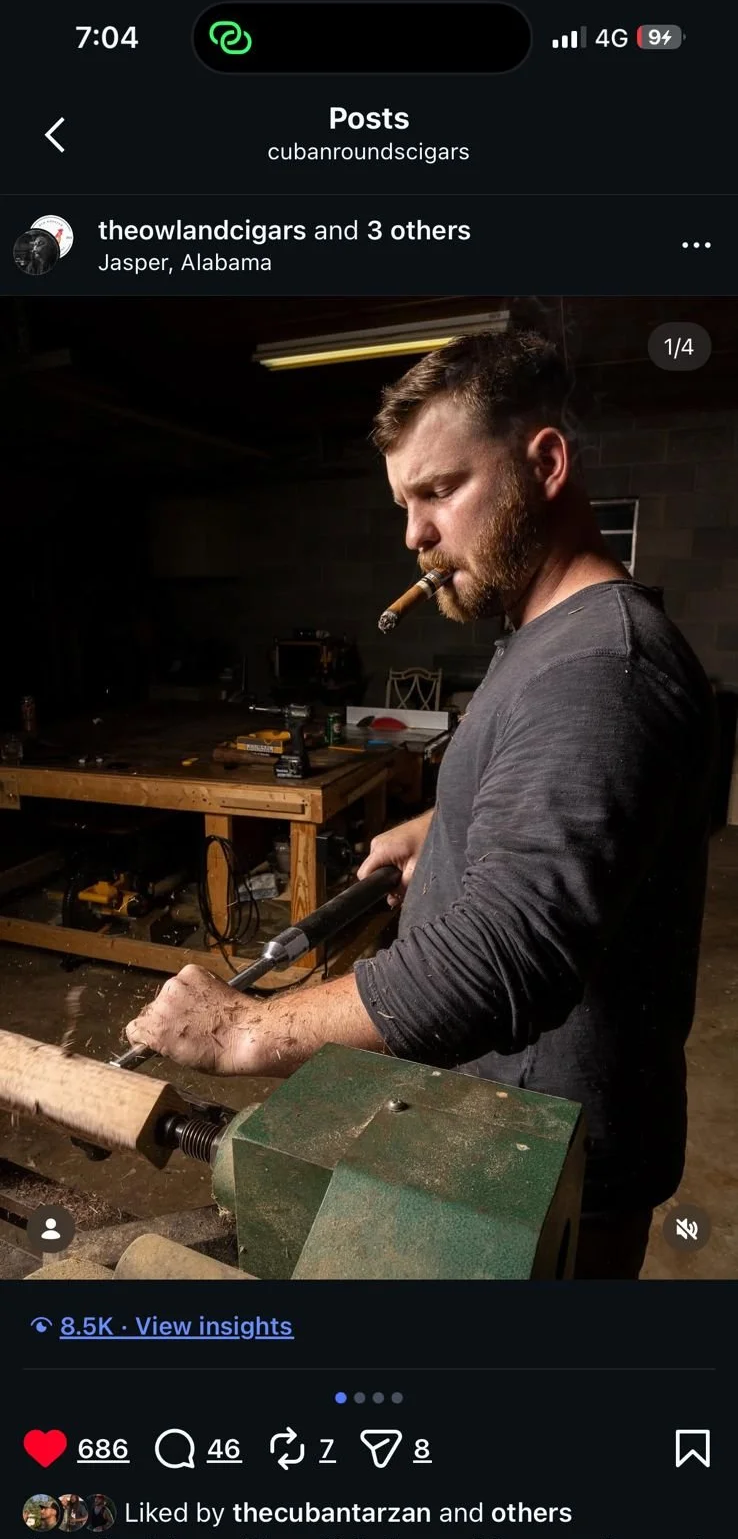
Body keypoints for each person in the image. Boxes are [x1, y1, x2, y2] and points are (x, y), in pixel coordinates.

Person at [126, 327, 717, 1279]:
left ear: (546, 465)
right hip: (506, 1124)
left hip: (549, 1165)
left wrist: (247, 1029)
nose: (414, 535)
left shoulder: (600, 668)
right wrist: (446, 833)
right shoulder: (548, 638)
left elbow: (503, 958)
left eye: (440, 491)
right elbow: (584, 812)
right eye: (404, 503)